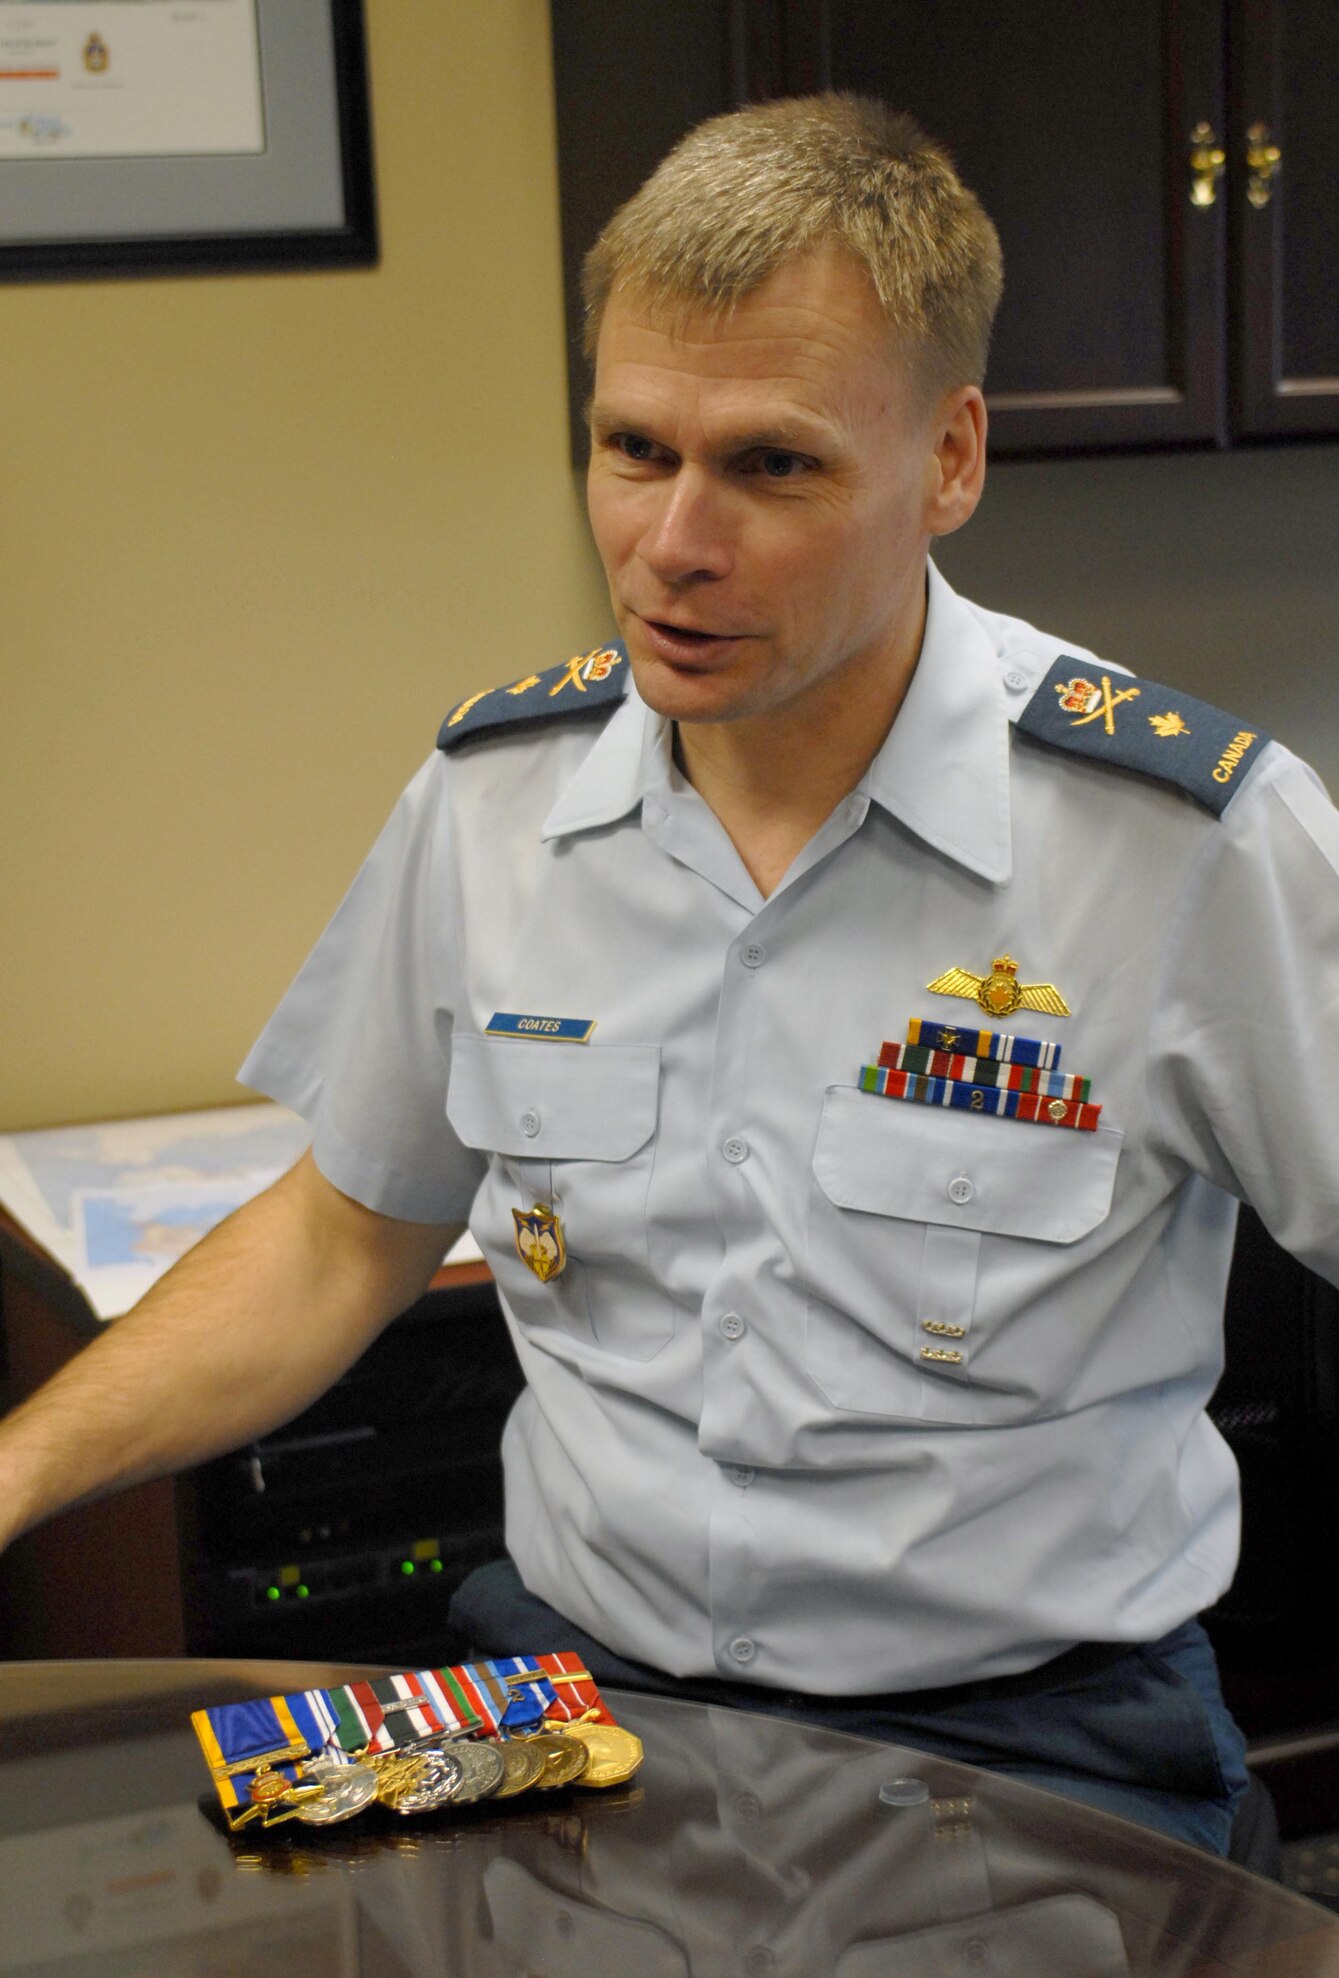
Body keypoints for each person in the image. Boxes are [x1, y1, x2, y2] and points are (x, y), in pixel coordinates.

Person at [2, 95, 1336, 1857]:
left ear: (949, 459)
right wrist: (14, 1469)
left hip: (1028, 1750)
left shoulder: (1182, 842)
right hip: (577, 1706)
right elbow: (344, 1236)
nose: (672, 542)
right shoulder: (494, 806)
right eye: (634, 448)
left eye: (772, 466)